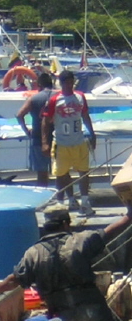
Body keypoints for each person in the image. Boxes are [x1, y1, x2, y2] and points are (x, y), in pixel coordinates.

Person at [0, 202, 132, 321]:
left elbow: (14, 280)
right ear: (66, 223)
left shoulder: (33, 253)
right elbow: (108, 232)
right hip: (94, 312)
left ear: (46, 227)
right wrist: (128, 216)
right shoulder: (80, 240)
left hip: (62, 319)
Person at [41, 70, 97, 216]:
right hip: (61, 142)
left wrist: (92, 133)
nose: (69, 84)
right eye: (66, 82)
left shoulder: (80, 96)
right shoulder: (54, 100)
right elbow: (45, 121)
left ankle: (85, 203)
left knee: (84, 172)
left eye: (71, 81)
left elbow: (85, 115)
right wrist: (45, 142)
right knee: (61, 173)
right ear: (61, 83)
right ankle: (64, 202)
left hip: (79, 141)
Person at [16, 73, 54, 187]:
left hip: (38, 138)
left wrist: (27, 131)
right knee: (62, 172)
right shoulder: (58, 96)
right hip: (58, 137)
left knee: (42, 173)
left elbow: (19, 115)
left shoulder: (34, 99)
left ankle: (43, 198)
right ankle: (62, 197)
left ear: (39, 84)